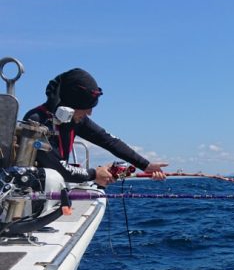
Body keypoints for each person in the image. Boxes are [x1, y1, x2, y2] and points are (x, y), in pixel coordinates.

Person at [23, 68, 167, 186]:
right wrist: (95, 174)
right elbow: (58, 168)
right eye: (86, 108)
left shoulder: (76, 120)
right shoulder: (36, 121)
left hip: (56, 189)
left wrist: (146, 166)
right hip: (35, 194)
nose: (90, 113)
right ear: (68, 106)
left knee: (122, 166)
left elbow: (108, 140)